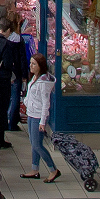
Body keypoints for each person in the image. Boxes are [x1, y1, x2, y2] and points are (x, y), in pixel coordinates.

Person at [0, 15, 26, 152]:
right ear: (7, 30)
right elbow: (8, 63)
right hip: (2, 80)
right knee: (1, 109)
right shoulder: (5, 43)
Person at [21, 54, 58, 183]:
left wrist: (42, 122)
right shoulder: (35, 78)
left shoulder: (43, 83)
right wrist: (26, 102)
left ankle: (53, 170)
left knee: (37, 145)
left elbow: (45, 104)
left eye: (34, 64)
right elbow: (30, 95)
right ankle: (34, 169)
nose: (30, 66)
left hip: (37, 117)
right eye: (30, 63)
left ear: (40, 66)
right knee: (33, 144)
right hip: (31, 114)